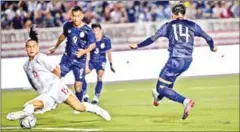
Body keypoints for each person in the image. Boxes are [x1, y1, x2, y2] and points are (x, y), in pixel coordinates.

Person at [129, 4, 217, 120]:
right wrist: (212, 48)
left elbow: (153, 38)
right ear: (184, 14)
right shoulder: (193, 25)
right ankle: (158, 97)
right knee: (167, 85)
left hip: (175, 59)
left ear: (173, 14)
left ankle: (185, 101)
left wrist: (138, 45)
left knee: (161, 87)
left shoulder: (168, 25)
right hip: (187, 61)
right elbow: (209, 38)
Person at [6, 26, 111, 122]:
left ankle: (98, 110)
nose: (31, 49)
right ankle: (28, 115)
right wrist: (43, 92)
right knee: (31, 105)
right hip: (46, 92)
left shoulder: (40, 58)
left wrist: (56, 86)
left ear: (37, 47)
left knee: (78, 107)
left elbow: (57, 70)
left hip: (56, 88)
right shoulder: (26, 66)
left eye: (34, 46)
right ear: (25, 49)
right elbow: (33, 82)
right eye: (29, 47)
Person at [48, 6, 95, 103]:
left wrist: (83, 51)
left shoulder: (87, 30)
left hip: (80, 61)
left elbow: (93, 45)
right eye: (74, 16)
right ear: (71, 16)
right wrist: (55, 47)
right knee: (55, 76)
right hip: (67, 59)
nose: (76, 18)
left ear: (82, 16)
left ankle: (78, 104)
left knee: (78, 86)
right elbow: (63, 36)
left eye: (78, 16)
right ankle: (50, 100)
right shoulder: (67, 25)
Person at [81, 23, 115, 104]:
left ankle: (96, 96)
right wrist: (86, 63)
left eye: (98, 30)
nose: (96, 32)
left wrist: (111, 64)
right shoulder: (90, 40)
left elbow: (108, 52)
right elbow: (87, 52)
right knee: (81, 74)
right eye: (94, 30)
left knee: (99, 77)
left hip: (101, 61)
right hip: (92, 61)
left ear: (100, 30)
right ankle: (85, 94)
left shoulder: (106, 39)